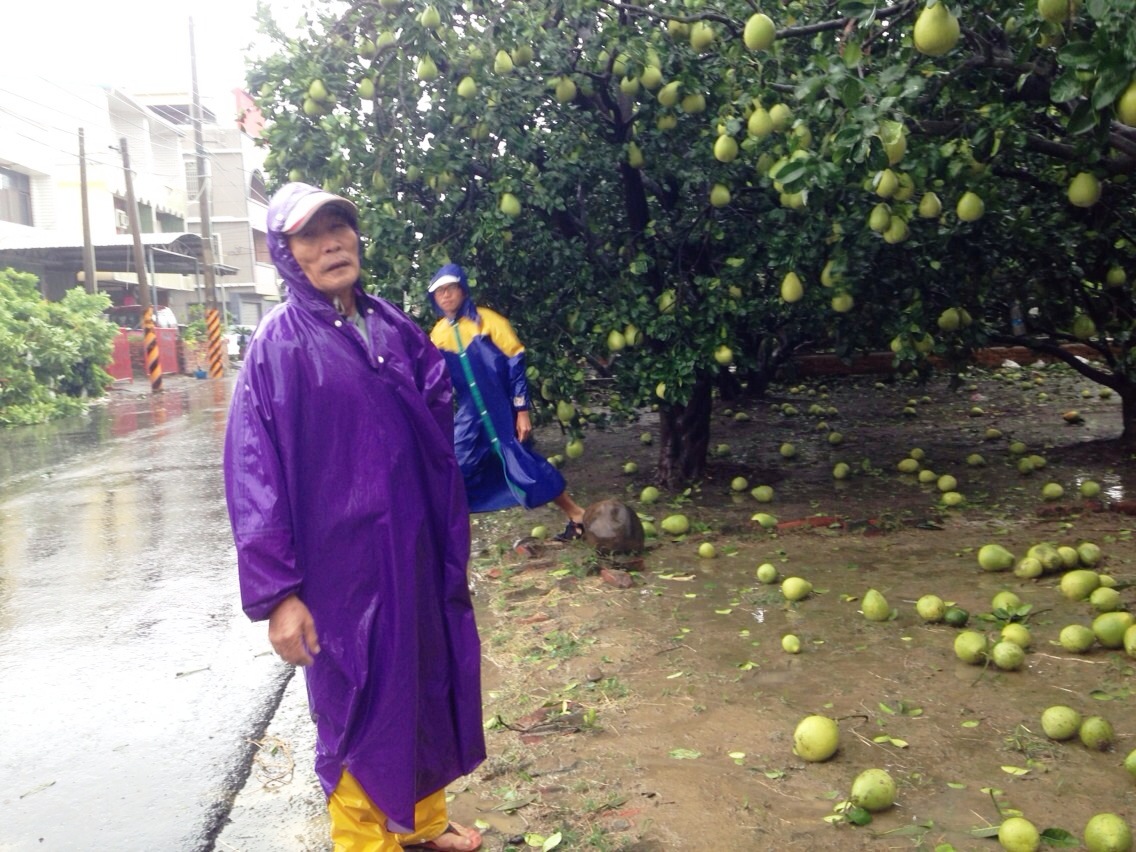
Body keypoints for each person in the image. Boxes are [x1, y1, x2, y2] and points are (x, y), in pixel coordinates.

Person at [223, 183, 485, 852]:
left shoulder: (392, 325)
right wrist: (280, 595)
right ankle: (367, 844)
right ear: (288, 255)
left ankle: (422, 827)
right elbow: (254, 477)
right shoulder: (277, 350)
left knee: (424, 680)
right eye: (312, 235)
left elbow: (433, 412)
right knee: (359, 711)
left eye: (340, 227)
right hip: (341, 576)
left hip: (413, 553)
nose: (333, 242)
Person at [427, 263, 586, 540]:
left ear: (462, 288)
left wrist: (521, 410)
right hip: (470, 414)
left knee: (524, 464)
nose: (446, 296)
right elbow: (432, 377)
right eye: (439, 292)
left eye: (450, 288)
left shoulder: (489, 321)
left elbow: (516, 364)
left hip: (501, 410)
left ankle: (576, 514)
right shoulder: (438, 334)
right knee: (454, 468)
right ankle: (453, 537)